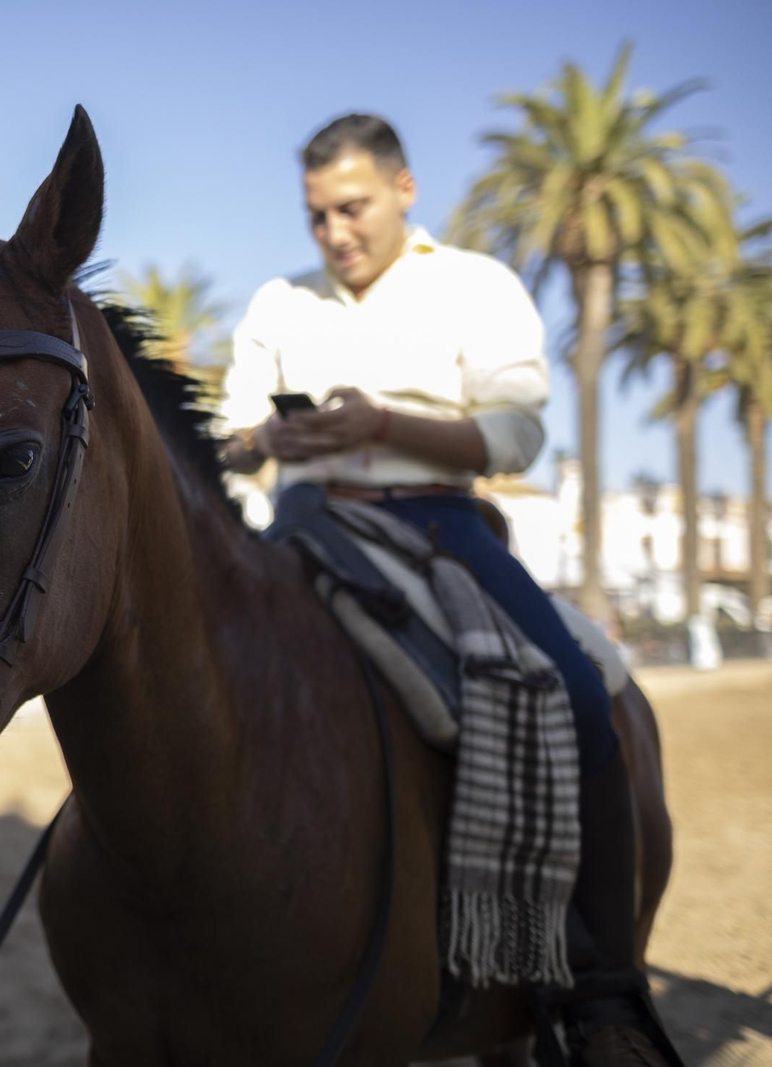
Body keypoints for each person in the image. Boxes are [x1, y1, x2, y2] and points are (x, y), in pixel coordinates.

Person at [220, 114, 674, 1065]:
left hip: (444, 523)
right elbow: (228, 431)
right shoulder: (278, 301)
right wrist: (269, 441)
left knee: (580, 685)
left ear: (405, 190)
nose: (335, 232)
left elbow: (514, 435)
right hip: (303, 527)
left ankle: (603, 995)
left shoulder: (476, 285)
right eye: (317, 217)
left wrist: (381, 423)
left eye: (352, 208)